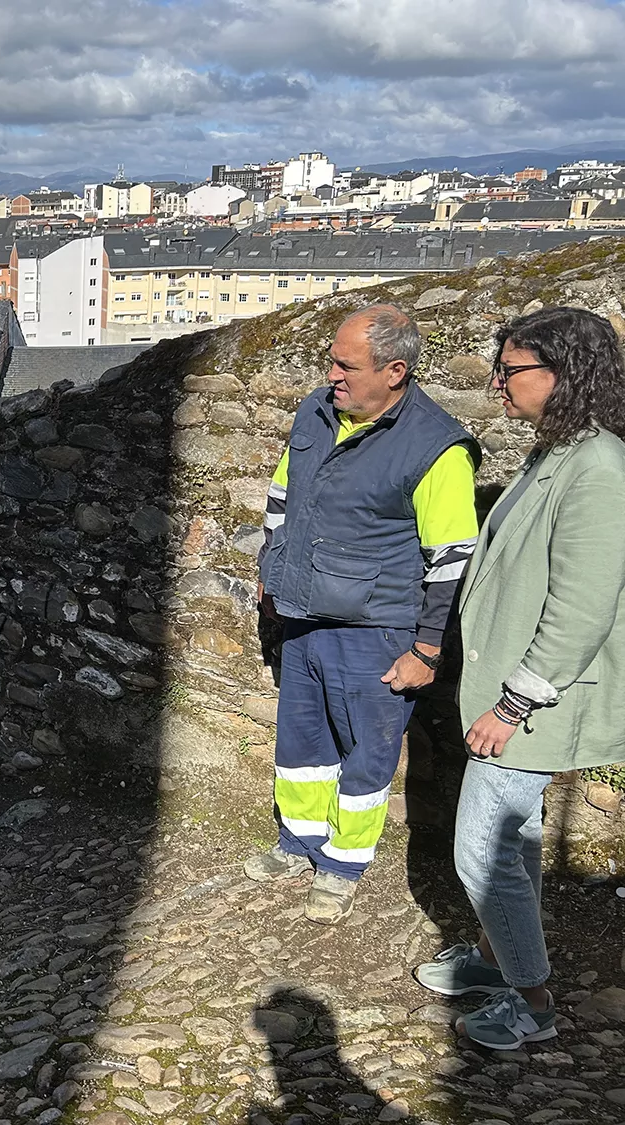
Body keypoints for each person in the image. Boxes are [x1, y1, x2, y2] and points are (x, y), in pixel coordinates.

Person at [413, 306, 625, 1050]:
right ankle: (498, 958)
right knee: (517, 840)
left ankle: (531, 1001)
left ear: (563, 375)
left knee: (482, 849)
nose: (499, 382)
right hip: (516, 689)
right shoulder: (558, 452)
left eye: (512, 371)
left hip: (534, 698)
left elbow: (582, 605)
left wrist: (512, 701)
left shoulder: (598, 467)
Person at [245, 304, 479, 923]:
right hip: (304, 615)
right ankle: (297, 842)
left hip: (378, 629)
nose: (332, 376)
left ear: (395, 371)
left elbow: (452, 559)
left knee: (366, 753)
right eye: (331, 361)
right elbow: (281, 494)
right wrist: (271, 568)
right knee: (301, 740)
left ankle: (342, 866)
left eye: (346, 366)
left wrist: (426, 649)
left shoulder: (437, 448)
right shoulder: (317, 411)